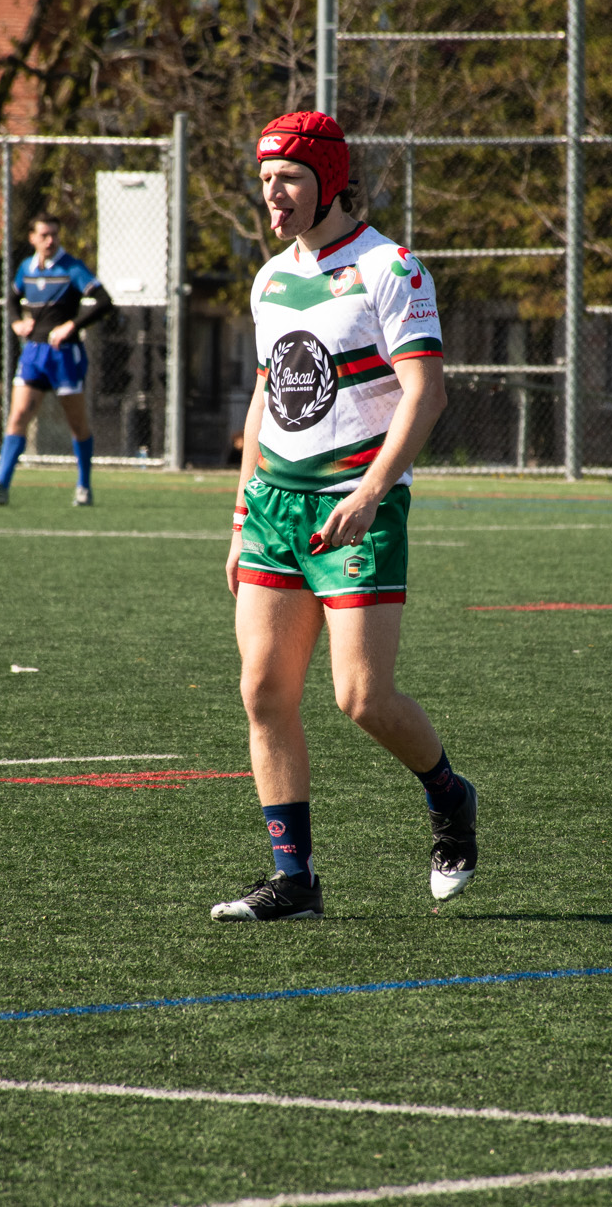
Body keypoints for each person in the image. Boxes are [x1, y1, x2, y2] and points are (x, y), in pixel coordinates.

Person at [210, 110, 475, 923]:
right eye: (264, 181)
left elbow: (424, 393)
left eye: (286, 178)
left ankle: (449, 794)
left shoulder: (390, 268)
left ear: (329, 179)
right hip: (274, 510)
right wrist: (238, 511)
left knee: (360, 697)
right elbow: (265, 397)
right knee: (263, 689)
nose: (272, 195)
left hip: (357, 508)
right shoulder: (267, 279)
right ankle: (295, 880)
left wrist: (369, 493)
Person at [0, 214, 113, 507]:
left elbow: (103, 301)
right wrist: (15, 323)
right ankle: (2, 484)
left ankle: (84, 486)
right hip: (34, 353)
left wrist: (71, 326)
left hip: (65, 355)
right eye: (45, 235)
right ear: (32, 237)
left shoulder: (71, 268)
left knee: (76, 423)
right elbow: (11, 299)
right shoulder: (26, 268)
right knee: (19, 415)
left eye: (55, 235)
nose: (50, 241)